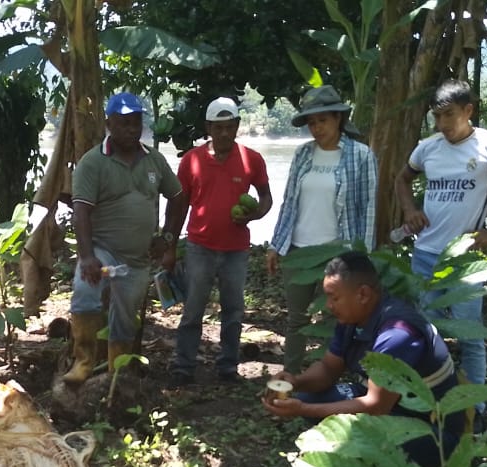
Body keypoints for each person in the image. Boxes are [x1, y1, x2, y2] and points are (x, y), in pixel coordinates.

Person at [394, 79, 487, 416]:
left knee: (470, 336)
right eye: (436, 116)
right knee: (427, 332)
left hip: (465, 259)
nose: (442, 123)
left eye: (449, 115)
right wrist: (410, 210)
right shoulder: (427, 148)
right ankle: (430, 402)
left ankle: (475, 409)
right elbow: (402, 180)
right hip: (425, 255)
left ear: (468, 110)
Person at [262, 251, 464, 467]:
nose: (329, 305)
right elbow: (329, 368)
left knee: (350, 423)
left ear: (363, 294)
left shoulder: (397, 334)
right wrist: (296, 382)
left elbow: (376, 407)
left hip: (433, 432)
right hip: (390, 407)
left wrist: (303, 409)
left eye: (334, 297)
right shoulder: (353, 318)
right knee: (310, 397)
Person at [63, 91, 185, 384]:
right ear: (109, 124)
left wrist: (167, 237)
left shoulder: (154, 160)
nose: (132, 129)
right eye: (124, 123)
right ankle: (83, 361)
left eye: (136, 123)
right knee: (85, 291)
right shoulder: (93, 162)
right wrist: (87, 256)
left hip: (137, 257)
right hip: (102, 250)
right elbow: (81, 212)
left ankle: (116, 374)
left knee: (126, 316)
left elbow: (179, 197)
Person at [160, 96, 272, 386]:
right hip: (200, 247)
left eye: (229, 126)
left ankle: (228, 367)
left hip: (236, 250)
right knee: (193, 310)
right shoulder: (191, 161)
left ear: (237, 126)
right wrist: (169, 246)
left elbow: (266, 197)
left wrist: (254, 215)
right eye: (218, 127)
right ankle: (184, 367)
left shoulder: (251, 159)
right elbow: (179, 206)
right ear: (208, 127)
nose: (224, 133)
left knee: (233, 311)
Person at [268, 85, 378, 374]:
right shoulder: (303, 154)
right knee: (297, 319)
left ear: (338, 118)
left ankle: (329, 378)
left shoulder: (361, 155)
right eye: (312, 122)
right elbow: (289, 201)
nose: (317, 128)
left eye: (323, 120)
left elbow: (368, 208)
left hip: (338, 254)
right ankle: (290, 378)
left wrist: (362, 257)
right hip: (298, 249)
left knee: (336, 319)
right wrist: (276, 244)